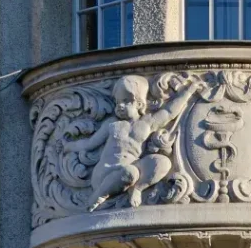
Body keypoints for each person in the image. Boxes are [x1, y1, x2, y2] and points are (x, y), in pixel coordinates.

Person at [64, 75, 199, 211]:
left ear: (139, 104)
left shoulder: (147, 124)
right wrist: (68, 146)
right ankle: (99, 195)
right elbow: (90, 143)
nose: (120, 106)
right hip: (105, 173)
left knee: (163, 162)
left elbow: (169, 112)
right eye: (118, 102)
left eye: (126, 101)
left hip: (131, 170)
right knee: (130, 172)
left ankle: (137, 188)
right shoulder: (112, 124)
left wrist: (188, 92)